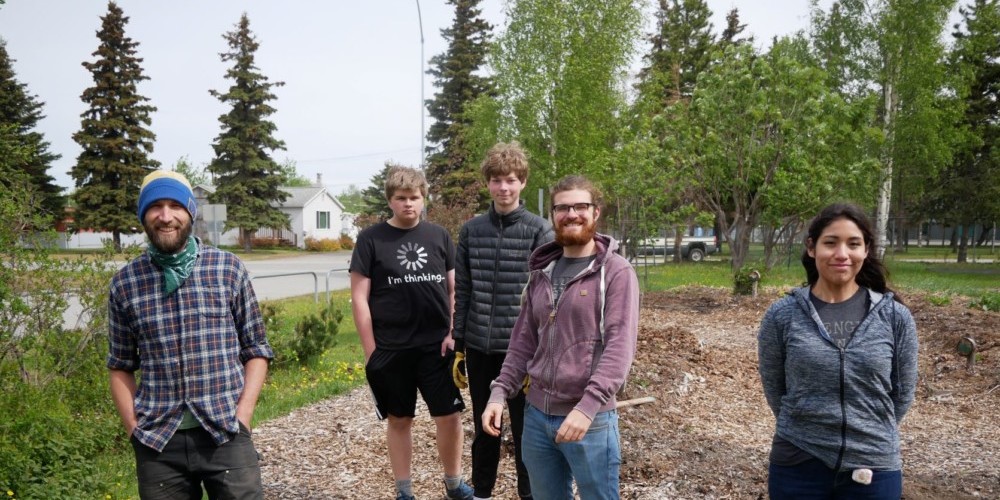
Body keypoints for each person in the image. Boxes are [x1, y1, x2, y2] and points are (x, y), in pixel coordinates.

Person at [108, 170, 274, 499]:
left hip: (225, 432)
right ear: (143, 215)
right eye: (155, 207)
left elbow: (256, 349)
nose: (165, 216)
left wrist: (243, 416)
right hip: (158, 442)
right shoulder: (125, 283)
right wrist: (134, 431)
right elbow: (120, 365)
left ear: (190, 212)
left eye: (175, 206)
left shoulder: (227, 269)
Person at [482, 175, 640, 500]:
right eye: (563, 207)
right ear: (553, 215)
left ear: (596, 213)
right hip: (537, 419)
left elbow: (619, 349)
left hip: (590, 421)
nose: (572, 214)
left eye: (581, 206)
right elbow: (523, 341)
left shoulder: (616, 272)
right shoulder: (543, 272)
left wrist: (588, 407)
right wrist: (499, 393)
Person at [757, 203, 919, 499]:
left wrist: (869, 429)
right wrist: (806, 428)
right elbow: (775, 388)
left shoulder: (895, 317)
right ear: (811, 248)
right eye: (830, 243)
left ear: (866, 250)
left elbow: (903, 392)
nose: (842, 254)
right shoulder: (782, 315)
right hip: (798, 462)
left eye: (853, 244)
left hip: (874, 466)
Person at [349, 166, 474, 500]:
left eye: (414, 198)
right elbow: (359, 297)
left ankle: (453, 483)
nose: (408, 204)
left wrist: (452, 332)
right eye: (401, 198)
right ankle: (404, 491)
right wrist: (371, 350)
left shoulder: (439, 236)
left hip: (436, 347)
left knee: (449, 417)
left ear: (424, 199)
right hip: (391, 349)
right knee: (400, 419)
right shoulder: (371, 240)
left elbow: (453, 291)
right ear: (390, 200)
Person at [453, 142, 553, 500]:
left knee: (529, 432)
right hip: (480, 346)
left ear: (523, 182)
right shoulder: (471, 231)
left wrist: (544, 347)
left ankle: (531, 495)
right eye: (496, 180)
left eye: (510, 180)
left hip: (525, 352)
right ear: (488, 184)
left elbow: (549, 296)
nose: (504, 188)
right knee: (485, 427)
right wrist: (459, 342)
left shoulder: (540, 231)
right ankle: (482, 492)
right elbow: (463, 290)